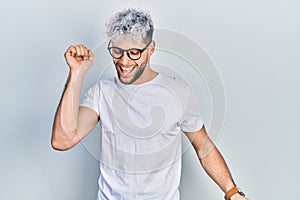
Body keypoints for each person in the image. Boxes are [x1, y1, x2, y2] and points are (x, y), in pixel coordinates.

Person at [51, 8, 248, 200]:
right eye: (117, 51)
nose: (124, 61)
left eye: (134, 52)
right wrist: (77, 73)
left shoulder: (178, 92)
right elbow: (62, 140)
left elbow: (203, 146)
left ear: (150, 49)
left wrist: (232, 192)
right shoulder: (102, 92)